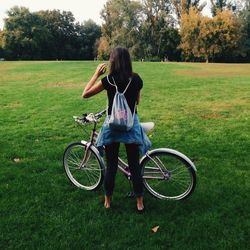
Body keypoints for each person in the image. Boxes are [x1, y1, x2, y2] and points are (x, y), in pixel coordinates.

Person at [82, 47, 151, 212]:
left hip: (112, 126)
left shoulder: (109, 80)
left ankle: (107, 201)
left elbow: (85, 94)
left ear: (112, 61)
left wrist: (96, 74)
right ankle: (139, 202)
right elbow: (137, 102)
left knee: (111, 165)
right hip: (131, 125)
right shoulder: (136, 79)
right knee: (134, 165)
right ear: (128, 60)